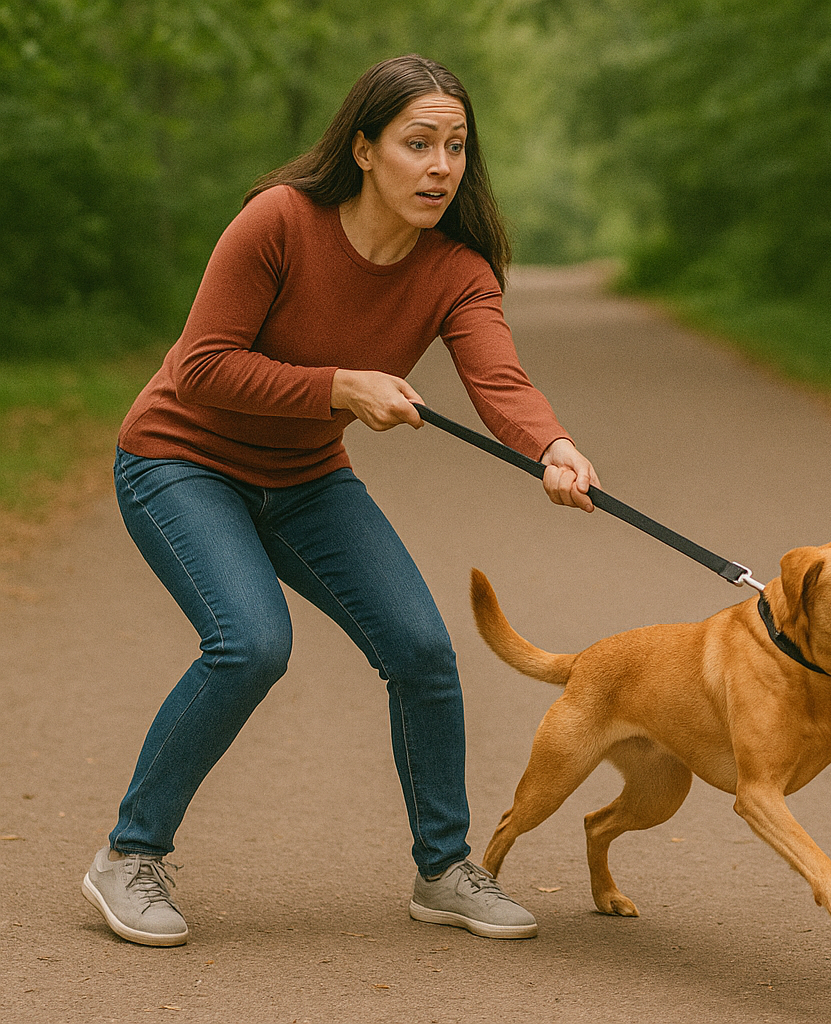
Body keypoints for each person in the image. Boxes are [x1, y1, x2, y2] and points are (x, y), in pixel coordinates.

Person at [80, 54, 599, 947]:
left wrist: (550, 444)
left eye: (457, 147)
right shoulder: (279, 222)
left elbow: (499, 379)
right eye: (418, 143)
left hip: (305, 476)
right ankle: (128, 856)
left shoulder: (457, 268)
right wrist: (340, 387)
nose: (441, 166)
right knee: (249, 643)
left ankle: (443, 870)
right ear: (363, 150)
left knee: (423, 649)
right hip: (180, 458)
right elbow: (202, 366)